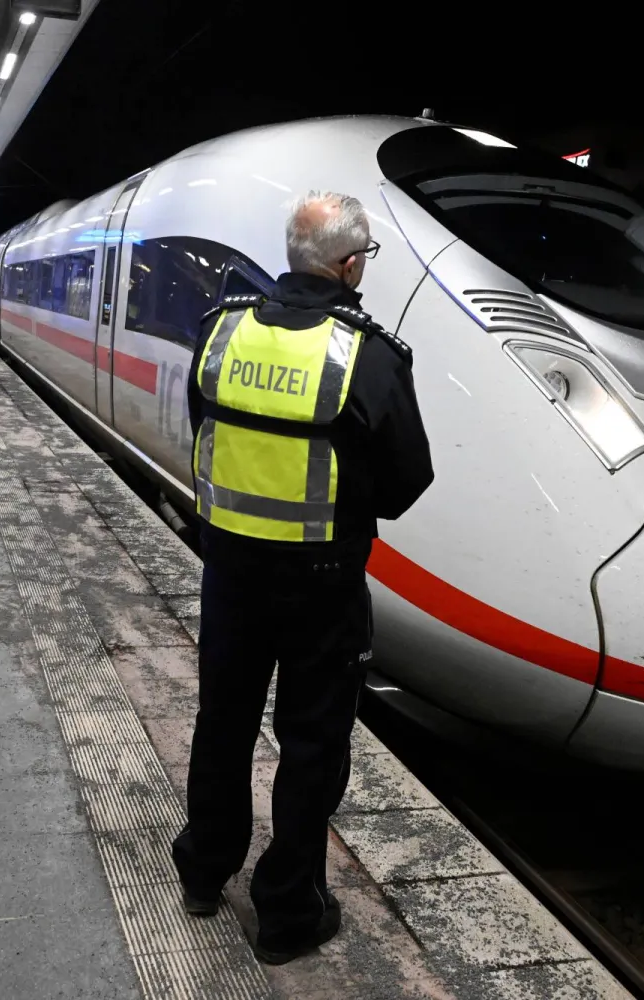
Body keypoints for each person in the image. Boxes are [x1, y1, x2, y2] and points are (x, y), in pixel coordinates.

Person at [172, 191, 434, 964]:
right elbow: (404, 484)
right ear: (351, 265)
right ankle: (287, 914)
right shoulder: (367, 354)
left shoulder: (221, 331)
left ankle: (202, 871)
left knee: (222, 722)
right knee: (312, 744)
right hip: (321, 587)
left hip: (230, 573)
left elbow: (205, 430)